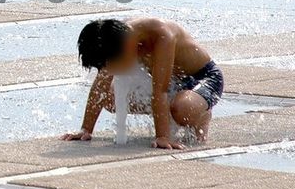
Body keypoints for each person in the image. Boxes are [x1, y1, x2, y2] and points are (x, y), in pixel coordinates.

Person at [62, 18, 225, 149]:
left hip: (203, 78)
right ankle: (173, 112)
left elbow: (159, 91)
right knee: (109, 99)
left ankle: (203, 113)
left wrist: (162, 137)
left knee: (183, 109)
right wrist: (86, 129)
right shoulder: (114, 39)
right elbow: (101, 86)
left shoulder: (161, 35)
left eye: (114, 66)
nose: (113, 72)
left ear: (127, 47)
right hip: (171, 85)